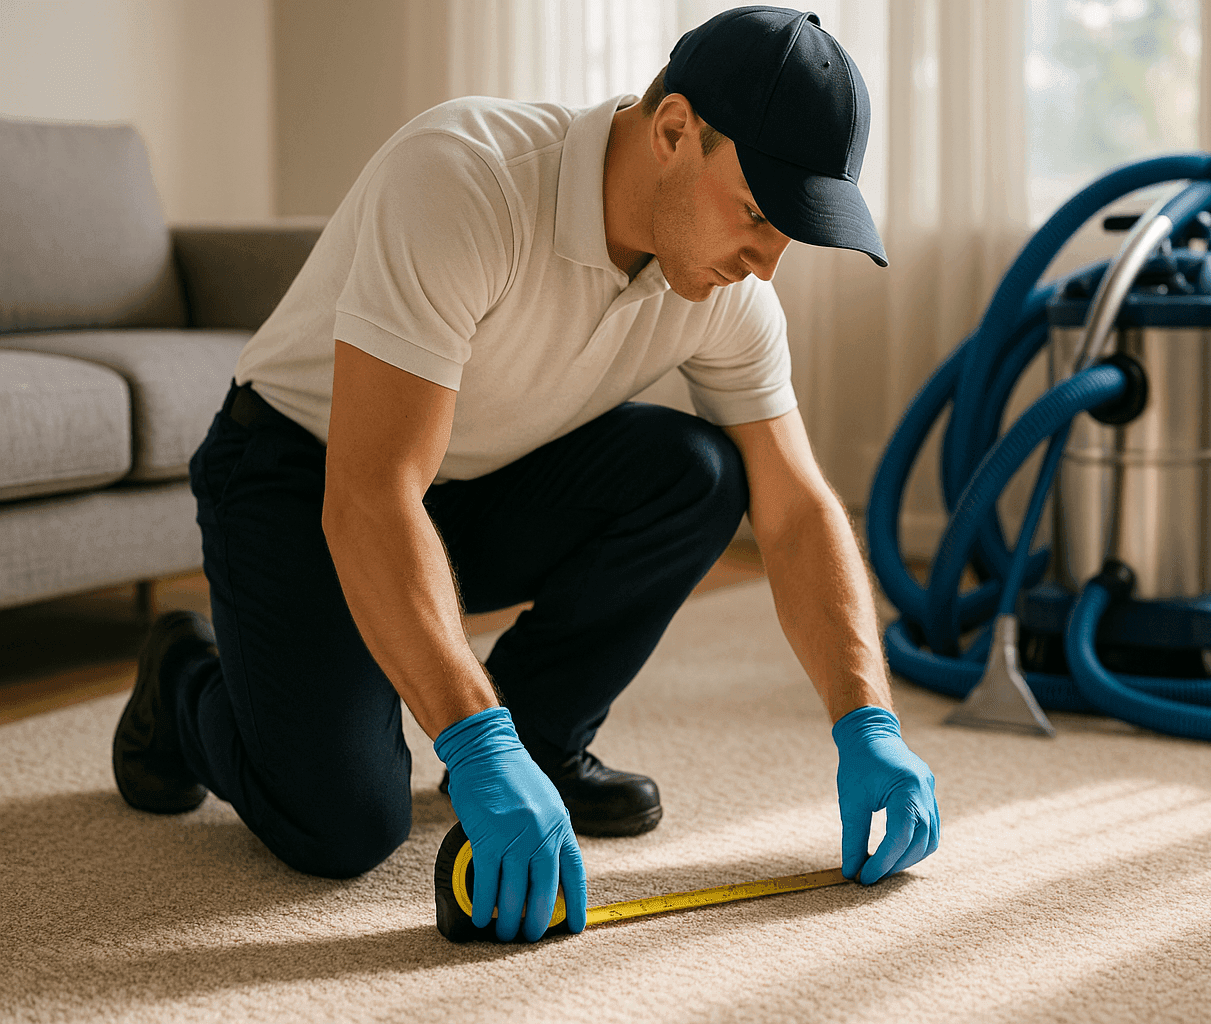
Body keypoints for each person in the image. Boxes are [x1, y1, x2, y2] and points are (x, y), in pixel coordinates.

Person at [112, 5, 940, 943]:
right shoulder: (466, 178)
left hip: (476, 478)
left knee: (701, 472)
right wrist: (472, 741)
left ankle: (540, 745)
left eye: (791, 231)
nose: (766, 262)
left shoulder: (727, 292)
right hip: (302, 474)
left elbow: (793, 509)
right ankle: (183, 679)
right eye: (758, 213)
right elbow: (372, 494)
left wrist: (868, 721)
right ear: (675, 130)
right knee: (344, 826)